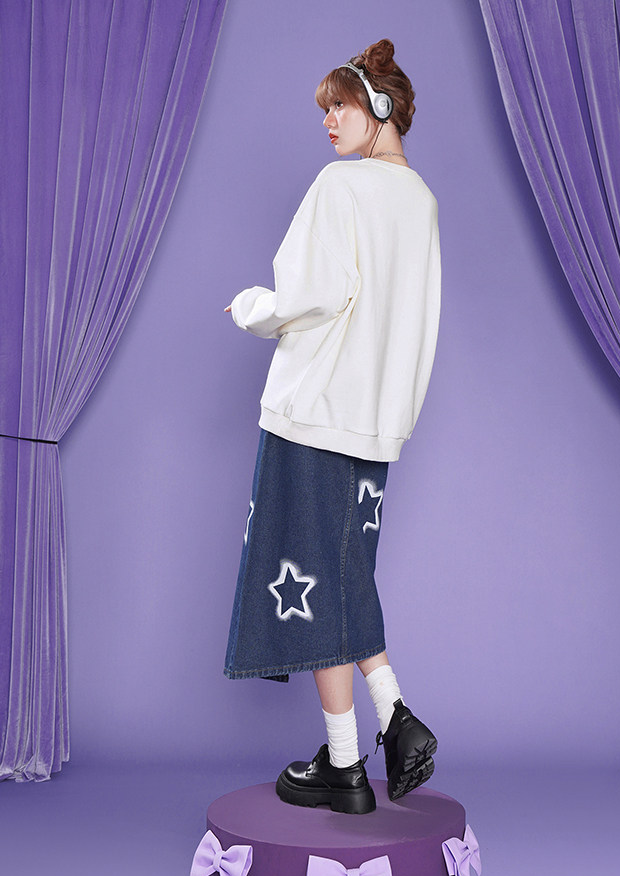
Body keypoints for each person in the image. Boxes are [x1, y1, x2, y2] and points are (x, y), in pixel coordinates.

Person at [224, 39, 441, 815]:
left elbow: (308, 295)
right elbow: (420, 324)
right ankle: (383, 726)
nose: (329, 122)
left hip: (312, 413)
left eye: (340, 106)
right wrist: (395, 417)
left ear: (379, 107)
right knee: (343, 571)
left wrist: (251, 308)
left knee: (315, 583)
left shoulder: (340, 186)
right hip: (374, 427)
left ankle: (353, 761)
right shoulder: (422, 202)